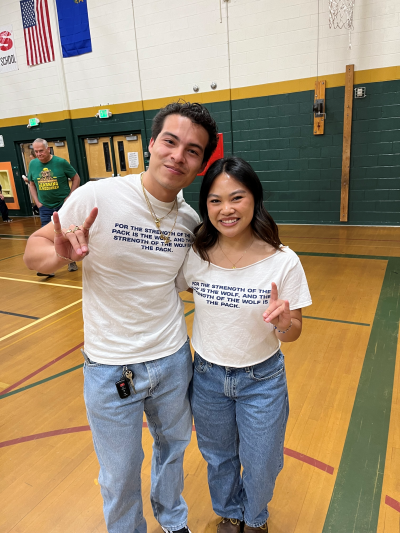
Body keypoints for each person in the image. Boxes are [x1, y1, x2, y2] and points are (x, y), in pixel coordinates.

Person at [23, 102, 219, 533]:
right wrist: (58, 256)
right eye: (170, 141)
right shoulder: (98, 196)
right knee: (119, 472)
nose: (177, 155)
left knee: (172, 452)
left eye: (191, 150)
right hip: (110, 366)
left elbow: (188, 282)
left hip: (171, 360)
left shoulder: (189, 221)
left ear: (200, 165)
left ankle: (173, 521)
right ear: (151, 144)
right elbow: (32, 251)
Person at [182, 157, 312, 533]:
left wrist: (286, 325)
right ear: (205, 205)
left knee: (263, 459)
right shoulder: (196, 254)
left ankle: (255, 517)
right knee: (218, 456)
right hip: (207, 376)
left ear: (254, 199)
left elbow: (295, 331)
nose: (227, 209)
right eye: (215, 200)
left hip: (263, 379)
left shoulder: (284, 261)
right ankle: (230, 513)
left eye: (236, 197)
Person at [28, 138, 80, 275]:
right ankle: (48, 268)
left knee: (66, 232)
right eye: (36, 151)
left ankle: (70, 260)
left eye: (41, 151)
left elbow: (76, 178)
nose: (39, 154)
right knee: (46, 237)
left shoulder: (60, 162)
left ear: (48, 149)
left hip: (62, 205)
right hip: (45, 206)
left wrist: (70, 197)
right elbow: (31, 183)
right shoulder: (33, 164)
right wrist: (37, 202)